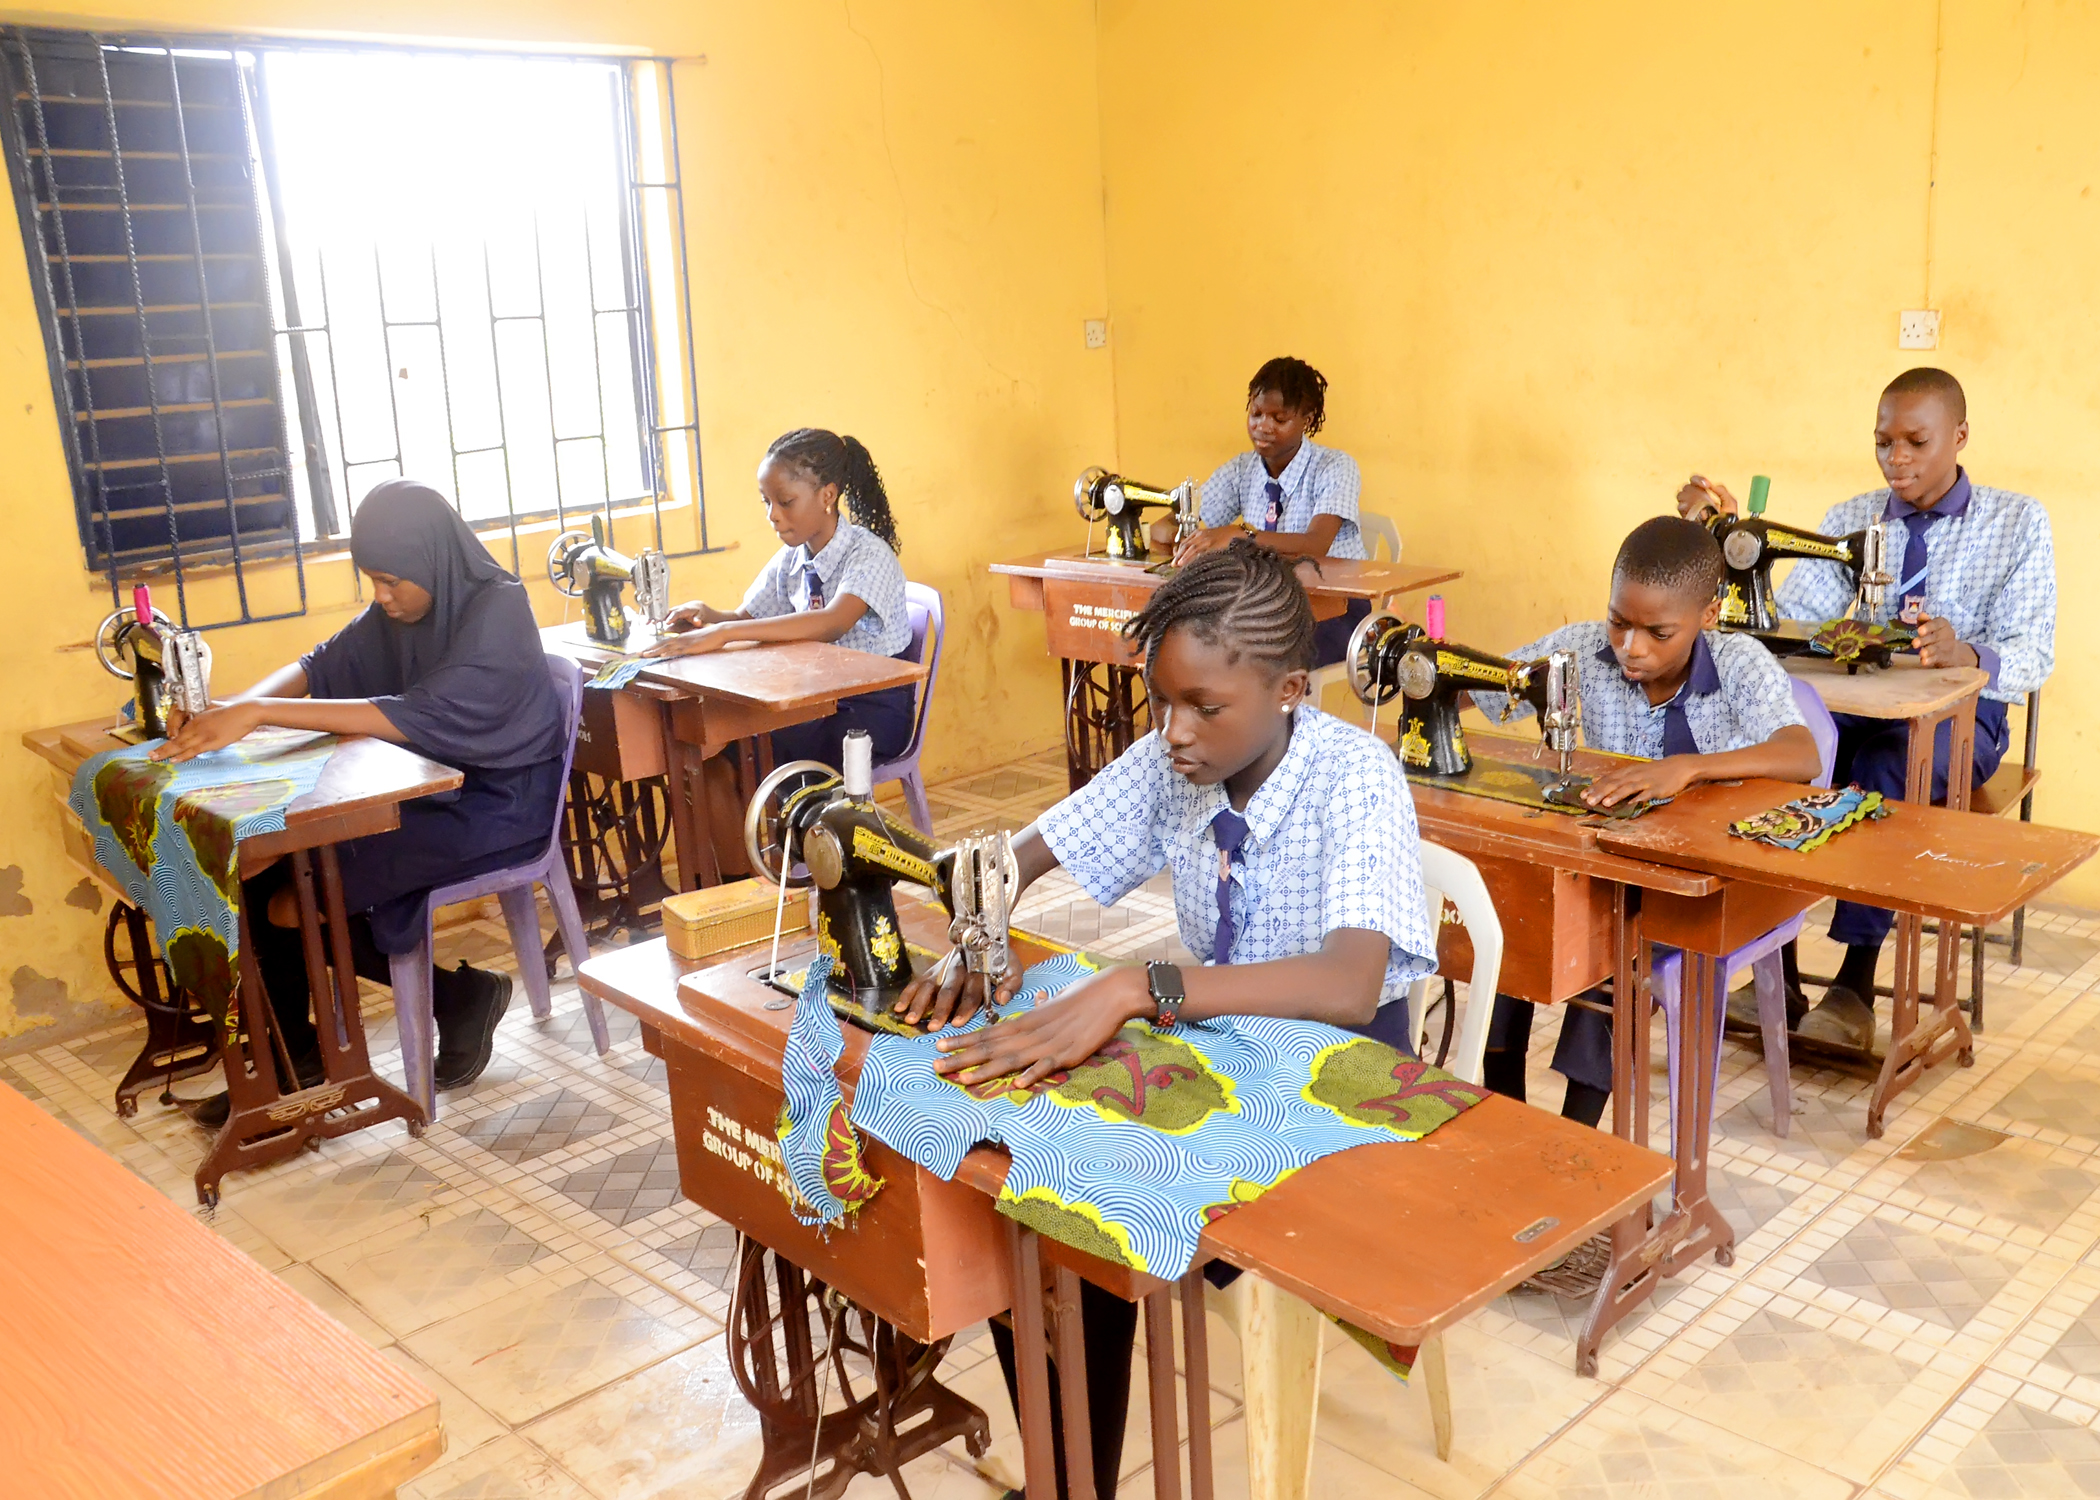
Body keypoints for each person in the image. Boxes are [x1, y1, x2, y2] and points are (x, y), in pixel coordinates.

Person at [894, 538, 1436, 1500]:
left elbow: (1350, 984)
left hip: (1345, 1082)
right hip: (1229, 1051)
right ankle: (1073, 1480)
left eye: (1204, 707)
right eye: (1161, 701)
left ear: (1290, 692)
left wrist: (1142, 987)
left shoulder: (1357, 777)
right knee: (1023, 1177)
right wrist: (976, 930)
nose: (1174, 731)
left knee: (1089, 1201)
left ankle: (1076, 1479)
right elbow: (1026, 854)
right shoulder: (1174, 761)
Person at [153, 480, 569, 1120]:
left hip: (498, 804)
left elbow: (414, 713)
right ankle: (299, 1057)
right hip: (426, 785)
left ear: (430, 560)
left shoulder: (497, 610)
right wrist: (229, 708)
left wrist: (258, 713)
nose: (381, 595)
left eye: (390, 580)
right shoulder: (409, 609)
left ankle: (408, 1017)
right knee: (259, 876)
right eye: (372, 580)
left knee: (294, 894)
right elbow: (321, 665)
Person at [1676, 368, 2057, 1049]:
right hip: (1860, 705)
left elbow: (2035, 651)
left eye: (1915, 441)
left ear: (1960, 436)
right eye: (1883, 442)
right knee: (1784, 762)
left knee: (1884, 768)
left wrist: (1968, 651)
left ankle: (1853, 984)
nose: (1895, 459)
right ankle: (1777, 971)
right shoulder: (1852, 518)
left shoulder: (2017, 522)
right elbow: (1793, 622)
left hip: (1961, 721)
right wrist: (1726, 547)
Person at [1477, 517, 1820, 1125]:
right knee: (1518, 916)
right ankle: (1506, 1108)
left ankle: (1576, 1135)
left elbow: (1802, 754)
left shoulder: (1739, 662)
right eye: (1619, 622)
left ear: (1707, 615)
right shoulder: (1581, 649)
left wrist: (1688, 769)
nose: (1630, 647)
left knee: (1608, 944)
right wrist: (1423, 672)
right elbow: (1481, 685)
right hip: (1610, 862)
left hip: (1703, 879)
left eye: (1658, 633)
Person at [646, 428, 913, 874]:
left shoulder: (869, 555)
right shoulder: (793, 558)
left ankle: (786, 873)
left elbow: (831, 621)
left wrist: (724, 634)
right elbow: (747, 616)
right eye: (766, 502)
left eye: (785, 501)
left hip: (866, 711)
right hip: (810, 701)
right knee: (711, 761)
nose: (773, 515)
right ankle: (743, 889)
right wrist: (711, 617)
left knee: (756, 756)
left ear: (827, 496)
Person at [1165, 356, 1370, 666]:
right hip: (1269, 604)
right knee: (1197, 642)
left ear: (1307, 420)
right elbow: (1177, 522)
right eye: (1256, 414)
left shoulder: (1335, 468)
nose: (1263, 426)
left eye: (1279, 418)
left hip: (1338, 606)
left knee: (1256, 656)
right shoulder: (1241, 470)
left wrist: (1242, 535)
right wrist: (1179, 534)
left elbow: (1316, 544)